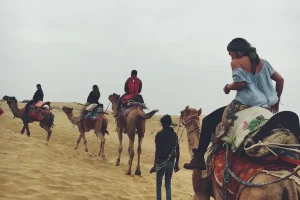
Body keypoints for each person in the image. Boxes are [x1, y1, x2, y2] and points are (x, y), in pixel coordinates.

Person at [183, 37, 284, 170]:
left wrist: (227, 87)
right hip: (265, 107)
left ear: (236, 52)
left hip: (244, 105)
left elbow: (240, 84)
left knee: (208, 121)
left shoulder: (236, 62)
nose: (230, 57)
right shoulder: (264, 62)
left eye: (230, 53)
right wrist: (277, 100)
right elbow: (280, 79)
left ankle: (199, 159)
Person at [150, 114, 180, 200]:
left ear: (162, 124)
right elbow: (177, 150)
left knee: (158, 183)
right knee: (168, 184)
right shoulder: (174, 135)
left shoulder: (159, 134)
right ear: (170, 123)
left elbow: (157, 151)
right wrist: (176, 164)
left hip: (160, 162)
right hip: (171, 162)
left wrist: (154, 165)